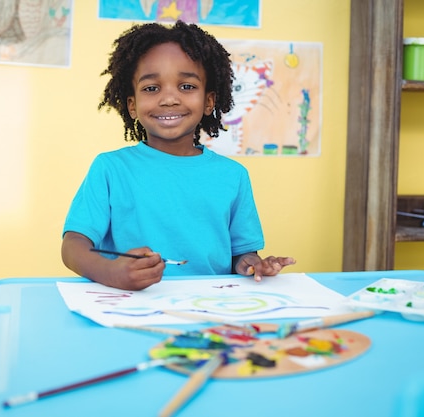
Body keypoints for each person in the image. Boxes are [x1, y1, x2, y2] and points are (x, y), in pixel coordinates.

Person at [61, 21, 295, 290]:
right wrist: (111, 271)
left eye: (186, 87)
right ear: (132, 105)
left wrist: (252, 264)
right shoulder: (111, 168)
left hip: (209, 307)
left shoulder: (233, 176)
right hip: (130, 308)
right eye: (151, 88)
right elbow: (72, 246)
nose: (169, 99)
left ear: (209, 102)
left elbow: (240, 255)